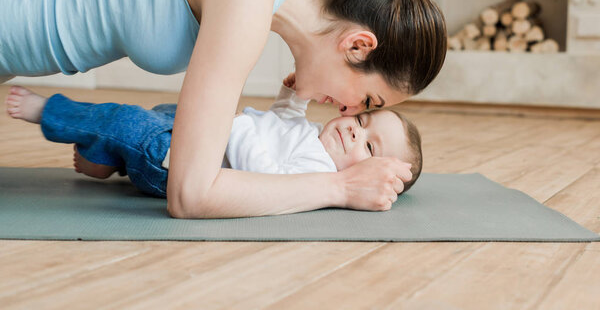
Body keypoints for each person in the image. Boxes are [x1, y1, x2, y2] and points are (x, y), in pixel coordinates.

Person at [0, 0, 446, 218]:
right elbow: (190, 196)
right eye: (367, 102)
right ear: (358, 46)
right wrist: (341, 188)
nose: (348, 112)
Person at [5, 78, 422, 205]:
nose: (354, 130)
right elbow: (282, 124)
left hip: (184, 160)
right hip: (205, 133)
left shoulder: (315, 171)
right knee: (160, 110)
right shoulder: (317, 138)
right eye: (363, 120)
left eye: (368, 146)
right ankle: (107, 161)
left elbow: (264, 173)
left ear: (369, 172)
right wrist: (293, 97)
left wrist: (233, 125)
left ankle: (50, 112)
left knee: (128, 122)